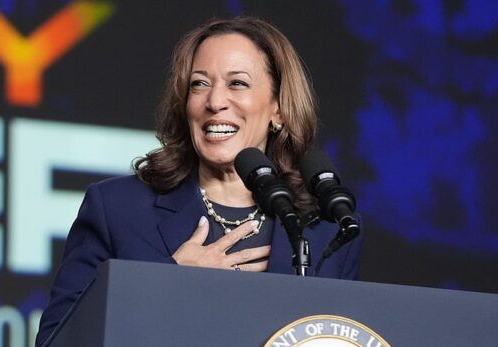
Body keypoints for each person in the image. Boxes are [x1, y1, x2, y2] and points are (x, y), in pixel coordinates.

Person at [35, 16, 362, 346]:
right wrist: (168, 282)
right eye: (199, 84)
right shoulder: (117, 210)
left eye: (237, 83)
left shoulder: (325, 229)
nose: (214, 101)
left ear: (278, 108)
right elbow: (57, 340)